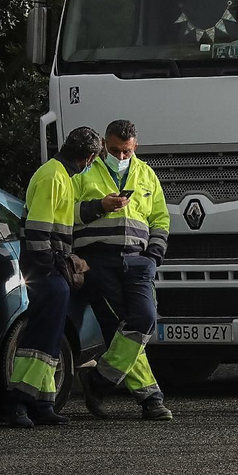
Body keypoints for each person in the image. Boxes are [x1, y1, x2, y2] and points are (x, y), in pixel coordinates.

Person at [0, 126, 102, 428]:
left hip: (48, 265)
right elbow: (38, 228)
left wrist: (98, 207)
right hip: (44, 266)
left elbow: (64, 218)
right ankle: (17, 399)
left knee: (52, 333)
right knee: (41, 335)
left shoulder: (60, 175)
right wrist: (50, 266)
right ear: (90, 157)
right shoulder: (54, 176)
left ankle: (43, 401)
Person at [74, 119, 174, 422]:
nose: (120, 157)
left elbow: (161, 219)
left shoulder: (146, 174)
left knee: (144, 319)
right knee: (121, 325)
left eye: (126, 152)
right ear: (104, 144)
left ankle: (99, 380)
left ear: (136, 147)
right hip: (99, 258)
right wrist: (99, 206)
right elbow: (66, 212)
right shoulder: (85, 171)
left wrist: (153, 256)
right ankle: (150, 399)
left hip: (138, 259)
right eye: (115, 150)